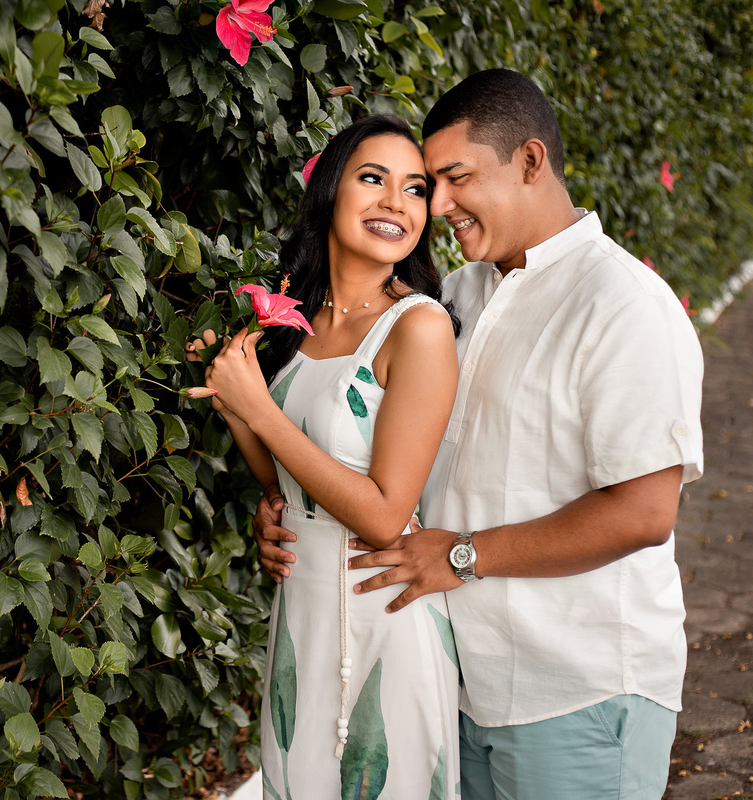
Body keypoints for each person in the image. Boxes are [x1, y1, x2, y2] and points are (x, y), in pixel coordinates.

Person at [255, 69, 704, 799]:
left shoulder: (624, 306)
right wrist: (286, 507)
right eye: (431, 183)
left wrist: (461, 555)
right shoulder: (455, 294)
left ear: (530, 161)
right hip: (460, 679)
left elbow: (644, 512)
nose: (439, 204)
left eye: (455, 178)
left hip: (579, 689)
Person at [187, 114, 462, 799]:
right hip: (300, 621)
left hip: (382, 622)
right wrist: (235, 402)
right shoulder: (300, 321)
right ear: (331, 191)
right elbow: (285, 482)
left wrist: (260, 414)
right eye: (373, 179)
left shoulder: (419, 327)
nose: (396, 202)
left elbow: (383, 512)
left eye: (415, 188)